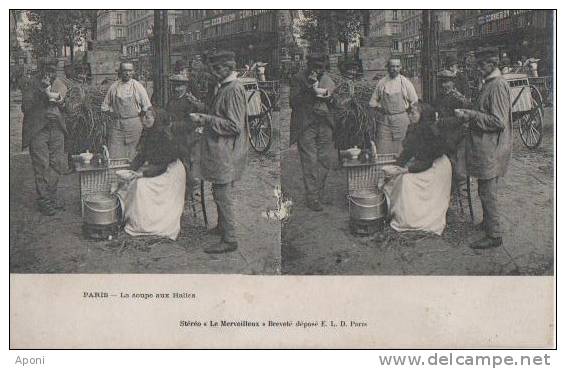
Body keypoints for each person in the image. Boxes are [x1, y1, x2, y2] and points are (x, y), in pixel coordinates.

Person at [188, 50, 248, 254]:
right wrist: (202, 108)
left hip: (227, 152)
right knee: (218, 190)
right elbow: (219, 113)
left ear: (229, 67)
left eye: (217, 68)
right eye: (212, 68)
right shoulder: (223, 87)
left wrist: (205, 120)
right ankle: (222, 227)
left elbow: (234, 125)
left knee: (223, 194)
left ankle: (230, 239)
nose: (213, 72)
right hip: (220, 151)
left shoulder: (233, 89)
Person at [454, 49, 512, 249]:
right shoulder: (489, 83)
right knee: (484, 189)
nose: (478, 70)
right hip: (486, 147)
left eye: (481, 66)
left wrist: (471, 115)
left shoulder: (497, 86)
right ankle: (488, 223)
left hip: (491, 148)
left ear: (491, 64)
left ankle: (494, 235)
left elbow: (498, 121)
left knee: (488, 192)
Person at [382, 104, 454, 235]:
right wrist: (397, 167)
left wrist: (406, 170)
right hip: (423, 163)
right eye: (409, 113)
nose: (410, 116)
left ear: (422, 116)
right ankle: (399, 213)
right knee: (398, 178)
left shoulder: (430, 131)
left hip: (436, 166)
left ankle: (414, 218)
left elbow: (427, 160)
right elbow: (407, 152)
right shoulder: (413, 128)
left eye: (413, 113)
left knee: (407, 181)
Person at [119, 109, 186, 240]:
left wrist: (142, 173)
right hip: (157, 167)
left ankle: (149, 223)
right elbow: (142, 155)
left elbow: (163, 165)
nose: (144, 121)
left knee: (141, 186)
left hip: (171, 172)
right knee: (133, 182)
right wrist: (131, 170)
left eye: (148, 118)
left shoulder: (165, 135)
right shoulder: (148, 133)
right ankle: (137, 219)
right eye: (143, 118)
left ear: (156, 119)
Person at [289, 52, 337, 211]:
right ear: (308, 65)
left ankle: (319, 193)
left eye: (321, 68)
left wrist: (330, 98)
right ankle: (312, 197)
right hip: (306, 125)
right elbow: (293, 102)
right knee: (310, 161)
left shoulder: (329, 80)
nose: (318, 71)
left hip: (325, 124)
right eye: (315, 67)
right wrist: (310, 90)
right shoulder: (298, 78)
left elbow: (336, 103)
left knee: (325, 160)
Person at [21, 61, 68, 216]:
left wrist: (61, 101)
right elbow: (25, 107)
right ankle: (44, 201)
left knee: (57, 164)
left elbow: (66, 107)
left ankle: (52, 197)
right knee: (41, 166)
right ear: (40, 70)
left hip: (56, 128)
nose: (50, 74)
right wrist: (42, 93)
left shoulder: (59, 83)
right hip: (38, 130)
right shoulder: (31, 83)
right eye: (47, 70)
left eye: (53, 71)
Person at [101, 62, 154, 160]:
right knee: (114, 153)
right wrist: (114, 115)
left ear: (133, 72)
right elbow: (104, 107)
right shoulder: (114, 87)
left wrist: (138, 118)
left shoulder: (137, 86)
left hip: (134, 126)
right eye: (125, 70)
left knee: (133, 155)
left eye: (130, 71)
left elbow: (146, 106)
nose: (127, 73)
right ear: (120, 72)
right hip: (117, 125)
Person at [369, 58, 419, 156]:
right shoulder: (382, 83)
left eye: (397, 66)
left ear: (400, 68)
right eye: (392, 66)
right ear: (388, 68)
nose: (394, 69)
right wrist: (379, 110)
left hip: (401, 120)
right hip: (385, 120)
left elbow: (414, 101)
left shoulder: (405, 82)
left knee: (402, 149)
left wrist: (412, 117)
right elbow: (372, 102)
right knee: (382, 148)